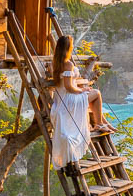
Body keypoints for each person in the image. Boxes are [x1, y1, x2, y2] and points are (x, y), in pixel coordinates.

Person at [48, 35, 114, 169]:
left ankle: (101, 123)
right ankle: (99, 123)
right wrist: (81, 91)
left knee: (90, 94)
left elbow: (64, 84)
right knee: (96, 94)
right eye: (71, 46)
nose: (73, 47)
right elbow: (68, 86)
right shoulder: (68, 64)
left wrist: (81, 89)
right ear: (68, 48)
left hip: (61, 99)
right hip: (69, 99)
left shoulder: (56, 62)